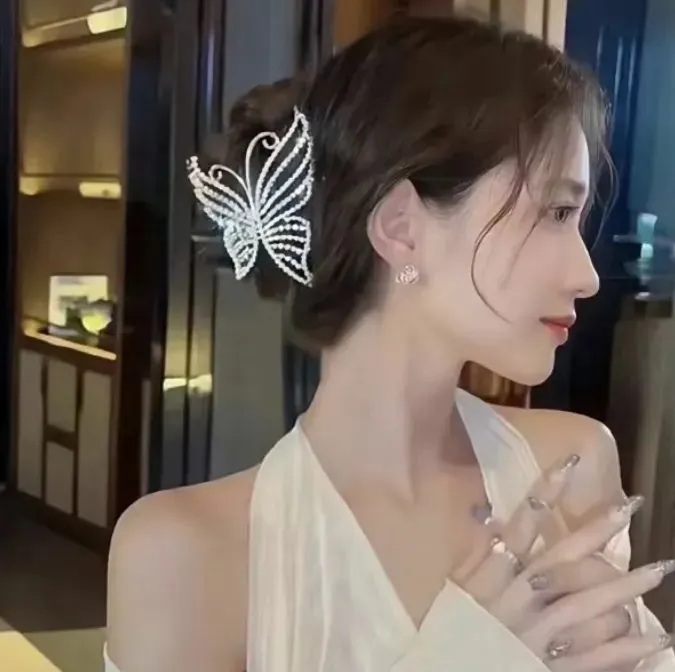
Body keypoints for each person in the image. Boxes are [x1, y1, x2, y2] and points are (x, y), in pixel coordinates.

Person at [105, 15, 675, 672]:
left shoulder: (571, 466)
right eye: (555, 212)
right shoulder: (187, 553)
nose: (587, 275)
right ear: (401, 228)